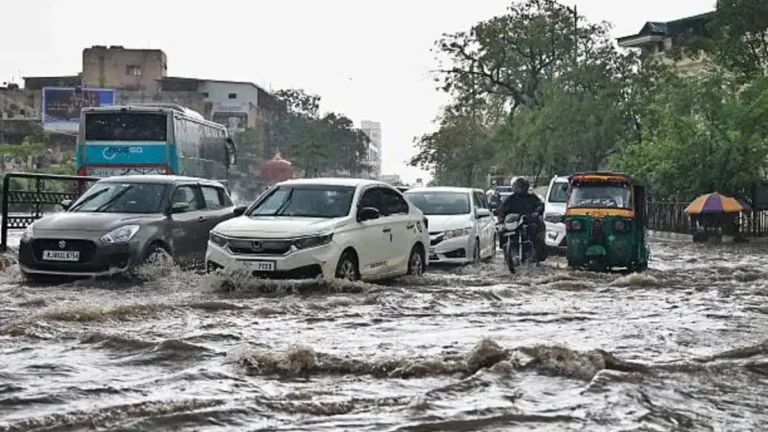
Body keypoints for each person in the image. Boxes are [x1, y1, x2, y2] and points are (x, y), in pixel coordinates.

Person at [497, 177, 547, 262]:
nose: (519, 189)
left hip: (528, 222)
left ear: (526, 187)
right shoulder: (510, 199)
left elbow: (540, 205)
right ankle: (506, 250)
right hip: (513, 224)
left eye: (521, 187)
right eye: (517, 186)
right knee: (501, 231)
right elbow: (501, 210)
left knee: (535, 230)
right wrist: (501, 220)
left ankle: (537, 253)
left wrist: (536, 212)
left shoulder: (531, 197)